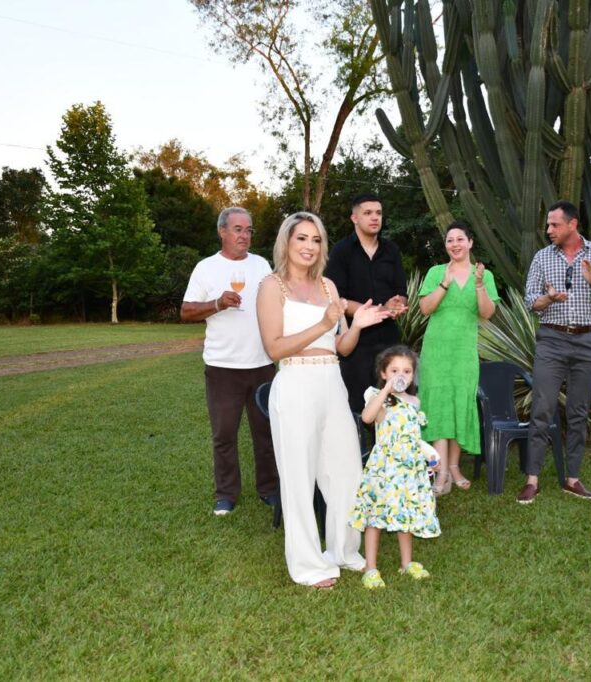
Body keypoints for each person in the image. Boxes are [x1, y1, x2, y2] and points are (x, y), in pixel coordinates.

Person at [257, 211, 390, 589]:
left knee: (347, 471)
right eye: (301, 238)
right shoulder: (271, 286)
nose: (309, 247)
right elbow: (273, 348)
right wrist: (321, 324)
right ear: (286, 242)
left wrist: (357, 325)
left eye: (316, 240)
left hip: (331, 381)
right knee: (298, 478)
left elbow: (341, 346)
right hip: (295, 382)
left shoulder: (329, 286)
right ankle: (308, 565)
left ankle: (343, 550)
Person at [516, 200, 591, 504]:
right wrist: (549, 298)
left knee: (578, 411)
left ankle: (572, 479)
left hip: (588, 341)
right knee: (541, 409)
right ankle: (532, 480)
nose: (548, 229)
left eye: (554, 224)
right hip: (551, 340)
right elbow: (530, 301)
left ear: (572, 224)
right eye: (548, 224)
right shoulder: (542, 258)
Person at [180, 207, 278, 517]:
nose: (244, 236)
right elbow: (185, 312)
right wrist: (217, 303)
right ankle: (226, 495)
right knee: (224, 435)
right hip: (223, 367)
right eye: (238, 229)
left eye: (249, 230)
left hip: (262, 363)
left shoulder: (261, 265)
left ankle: (269, 489)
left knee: (266, 432)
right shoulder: (206, 268)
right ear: (222, 232)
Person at [417, 221, 499, 494]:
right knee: (439, 405)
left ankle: (454, 467)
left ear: (470, 242)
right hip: (436, 351)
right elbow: (425, 308)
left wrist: (479, 286)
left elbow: (487, 313)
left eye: (460, 239)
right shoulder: (436, 272)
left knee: (459, 404)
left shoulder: (483, 275)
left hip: (464, 352)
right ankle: (440, 472)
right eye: (450, 240)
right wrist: (445, 283)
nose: (455, 244)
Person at [349, 346, 441, 589]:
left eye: (407, 371)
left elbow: (414, 437)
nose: (401, 375)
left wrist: (431, 455)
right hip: (385, 469)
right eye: (395, 370)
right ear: (383, 373)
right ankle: (370, 567)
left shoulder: (414, 402)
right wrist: (386, 390)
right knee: (376, 516)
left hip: (409, 469)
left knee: (405, 513)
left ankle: (407, 562)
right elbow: (367, 418)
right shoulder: (378, 397)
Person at [324, 193, 408, 414]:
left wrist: (397, 304)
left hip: (389, 339)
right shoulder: (341, 251)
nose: (375, 217)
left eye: (378, 213)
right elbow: (336, 298)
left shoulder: (391, 250)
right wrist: (378, 310)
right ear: (354, 218)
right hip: (354, 342)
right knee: (357, 407)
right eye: (368, 213)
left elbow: (401, 292)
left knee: (392, 404)